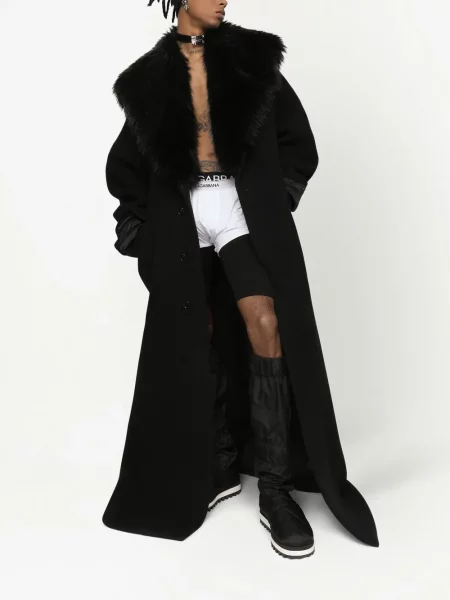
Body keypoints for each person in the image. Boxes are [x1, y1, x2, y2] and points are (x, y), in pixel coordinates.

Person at [102, 0, 379, 559]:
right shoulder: (146, 80)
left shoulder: (253, 58)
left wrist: (276, 200)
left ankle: (275, 489)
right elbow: (124, 166)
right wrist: (142, 228)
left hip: (237, 206)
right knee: (197, 330)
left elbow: (298, 141)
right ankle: (221, 462)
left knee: (265, 320)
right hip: (183, 210)